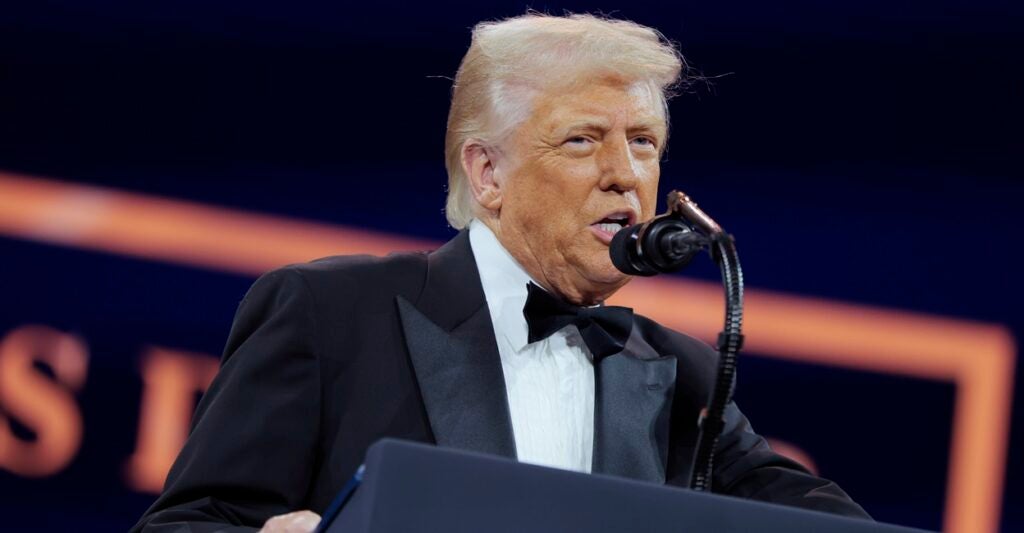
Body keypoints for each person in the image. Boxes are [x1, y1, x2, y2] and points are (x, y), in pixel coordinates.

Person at [132, 13, 870, 533]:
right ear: (487, 173)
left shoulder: (682, 375)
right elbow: (189, 523)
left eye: (644, 142)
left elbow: (814, 516)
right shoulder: (329, 314)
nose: (624, 173)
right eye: (582, 140)